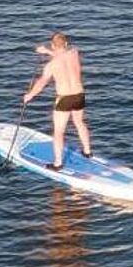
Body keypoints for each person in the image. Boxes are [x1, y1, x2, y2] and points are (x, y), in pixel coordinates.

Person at [23, 31, 92, 169]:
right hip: (79, 94)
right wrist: (48, 52)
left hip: (64, 98)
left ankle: (58, 163)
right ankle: (87, 151)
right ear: (66, 44)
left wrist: (30, 95)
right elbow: (63, 56)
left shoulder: (51, 66)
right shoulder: (74, 53)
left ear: (53, 46)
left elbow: (42, 82)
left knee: (58, 131)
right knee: (79, 122)